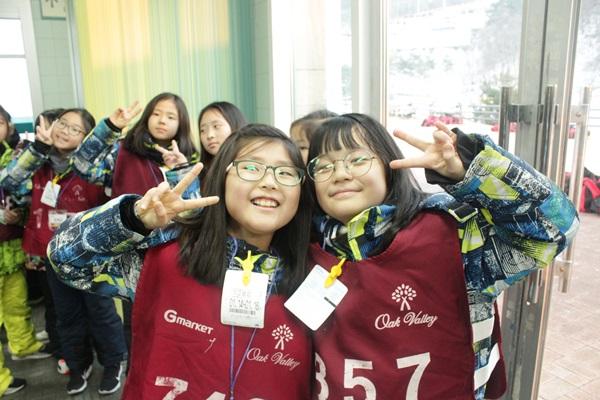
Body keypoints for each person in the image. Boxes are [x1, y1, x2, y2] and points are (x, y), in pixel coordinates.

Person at [300, 114, 578, 399]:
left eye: (357, 160)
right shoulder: (302, 245)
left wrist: (472, 169)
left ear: (388, 165)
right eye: (324, 166)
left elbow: (554, 229)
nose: (340, 174)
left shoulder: (454, 234)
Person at [48, 125, 313, 399]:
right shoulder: (169, 260)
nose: (270, 182)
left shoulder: (315, 278)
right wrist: (133, 219)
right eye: (251, 167)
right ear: (221, 178)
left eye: (285, 172)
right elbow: (66, 261)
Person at [0, 108, 128, 396]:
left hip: (93, 255)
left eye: (75, 128)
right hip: (54, 255)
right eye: (62, 124)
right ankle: (79, 364)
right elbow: (8, 182)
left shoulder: (95, 163)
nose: (65, 131)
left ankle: (112, 363)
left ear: (87, 136)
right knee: (66, 314)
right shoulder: (38, 160)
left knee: (100, 312)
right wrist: (38, 148)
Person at [70, 92, 197, 369]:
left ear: (182, 124)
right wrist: (109, 129)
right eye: (157, 113)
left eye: (171, 116)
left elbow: (194, 213)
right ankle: (137, 375)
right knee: (136, 322)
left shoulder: (190, 158)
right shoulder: (123, 151)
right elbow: (81, 166)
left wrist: (179, 168)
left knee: (180, 321)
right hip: (132, 253)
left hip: (176, 256)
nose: (162, 120)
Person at [0, 105, 33, 396]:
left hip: (10, 244)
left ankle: (23, 345)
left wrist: (19, 214)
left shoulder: (15, 157)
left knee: (16, 302)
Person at [198, 101, 247, 171]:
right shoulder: (201, 172)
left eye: (216, 126)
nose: (209, 135)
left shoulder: (250, 165)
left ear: (235, 126)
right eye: (203, 130)